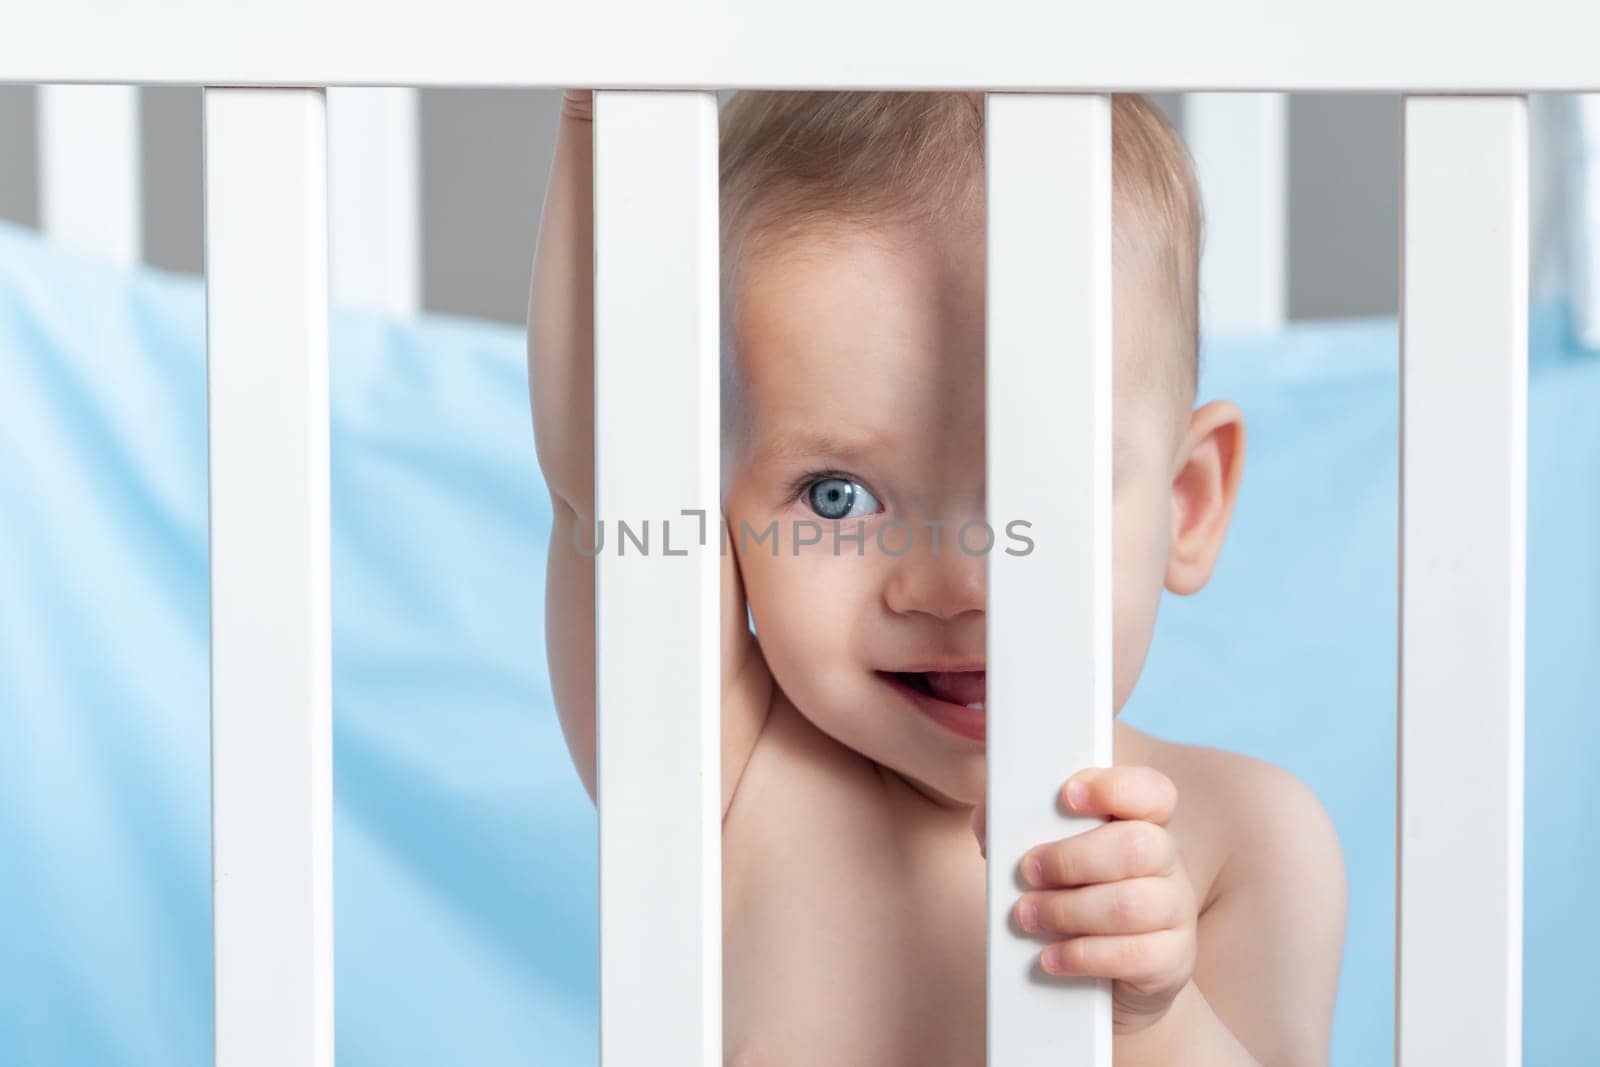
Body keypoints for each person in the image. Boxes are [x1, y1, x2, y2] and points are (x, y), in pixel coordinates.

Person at [528, 87, 1346, 1065]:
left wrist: (1150, 1018)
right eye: (836, 496)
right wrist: (606, 105)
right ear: (716, 508)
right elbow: (608, 478)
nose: (950, 583)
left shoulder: (1247, 839)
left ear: (1187, 502)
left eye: (1028, 491)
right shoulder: (730, 773)